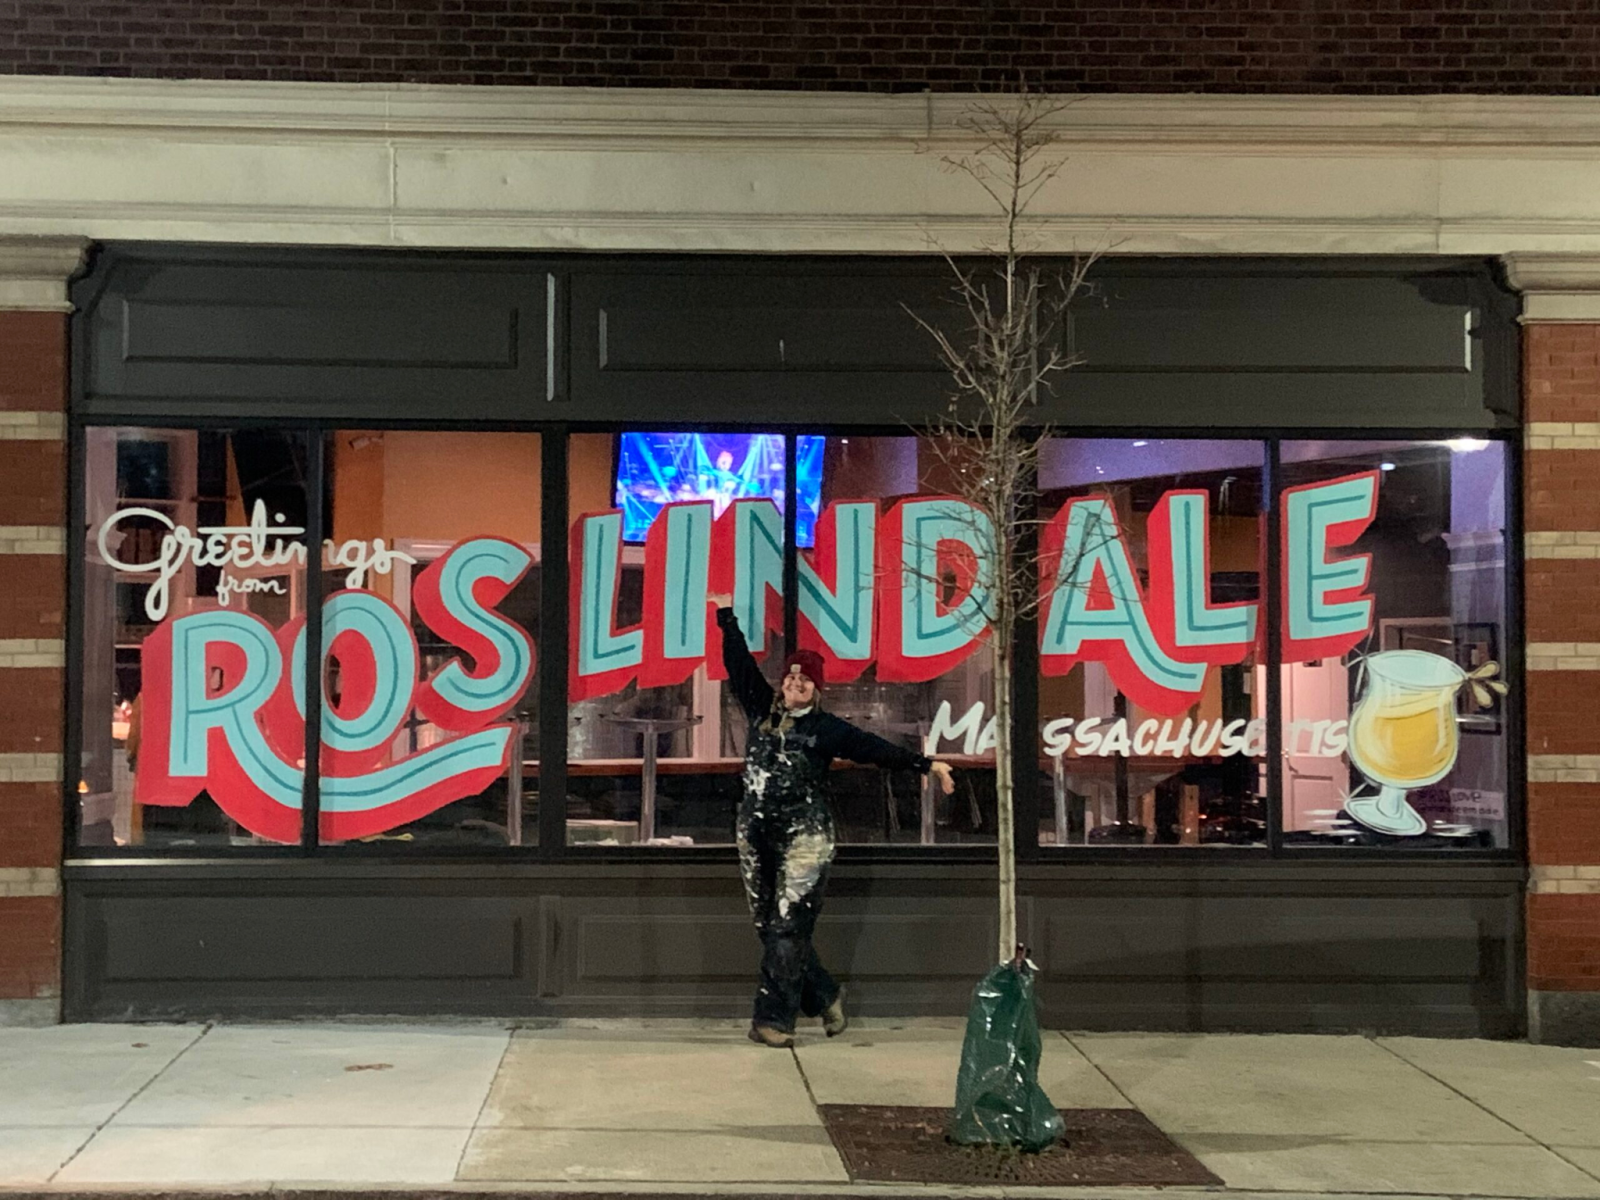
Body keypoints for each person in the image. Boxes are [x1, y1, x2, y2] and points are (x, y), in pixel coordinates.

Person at [709, 595, 955, 1048]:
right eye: (791, 677)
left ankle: (773, 1021)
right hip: (755, 830)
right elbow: (739, 665)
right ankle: (824, 995)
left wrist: (926, 765)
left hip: (806, 835)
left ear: (817, 690)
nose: (796, 683)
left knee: (789, 925)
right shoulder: (761, 709)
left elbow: (874, 748)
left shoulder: (826, 729)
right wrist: (727, 620)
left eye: (806, 680)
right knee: (768, 923)